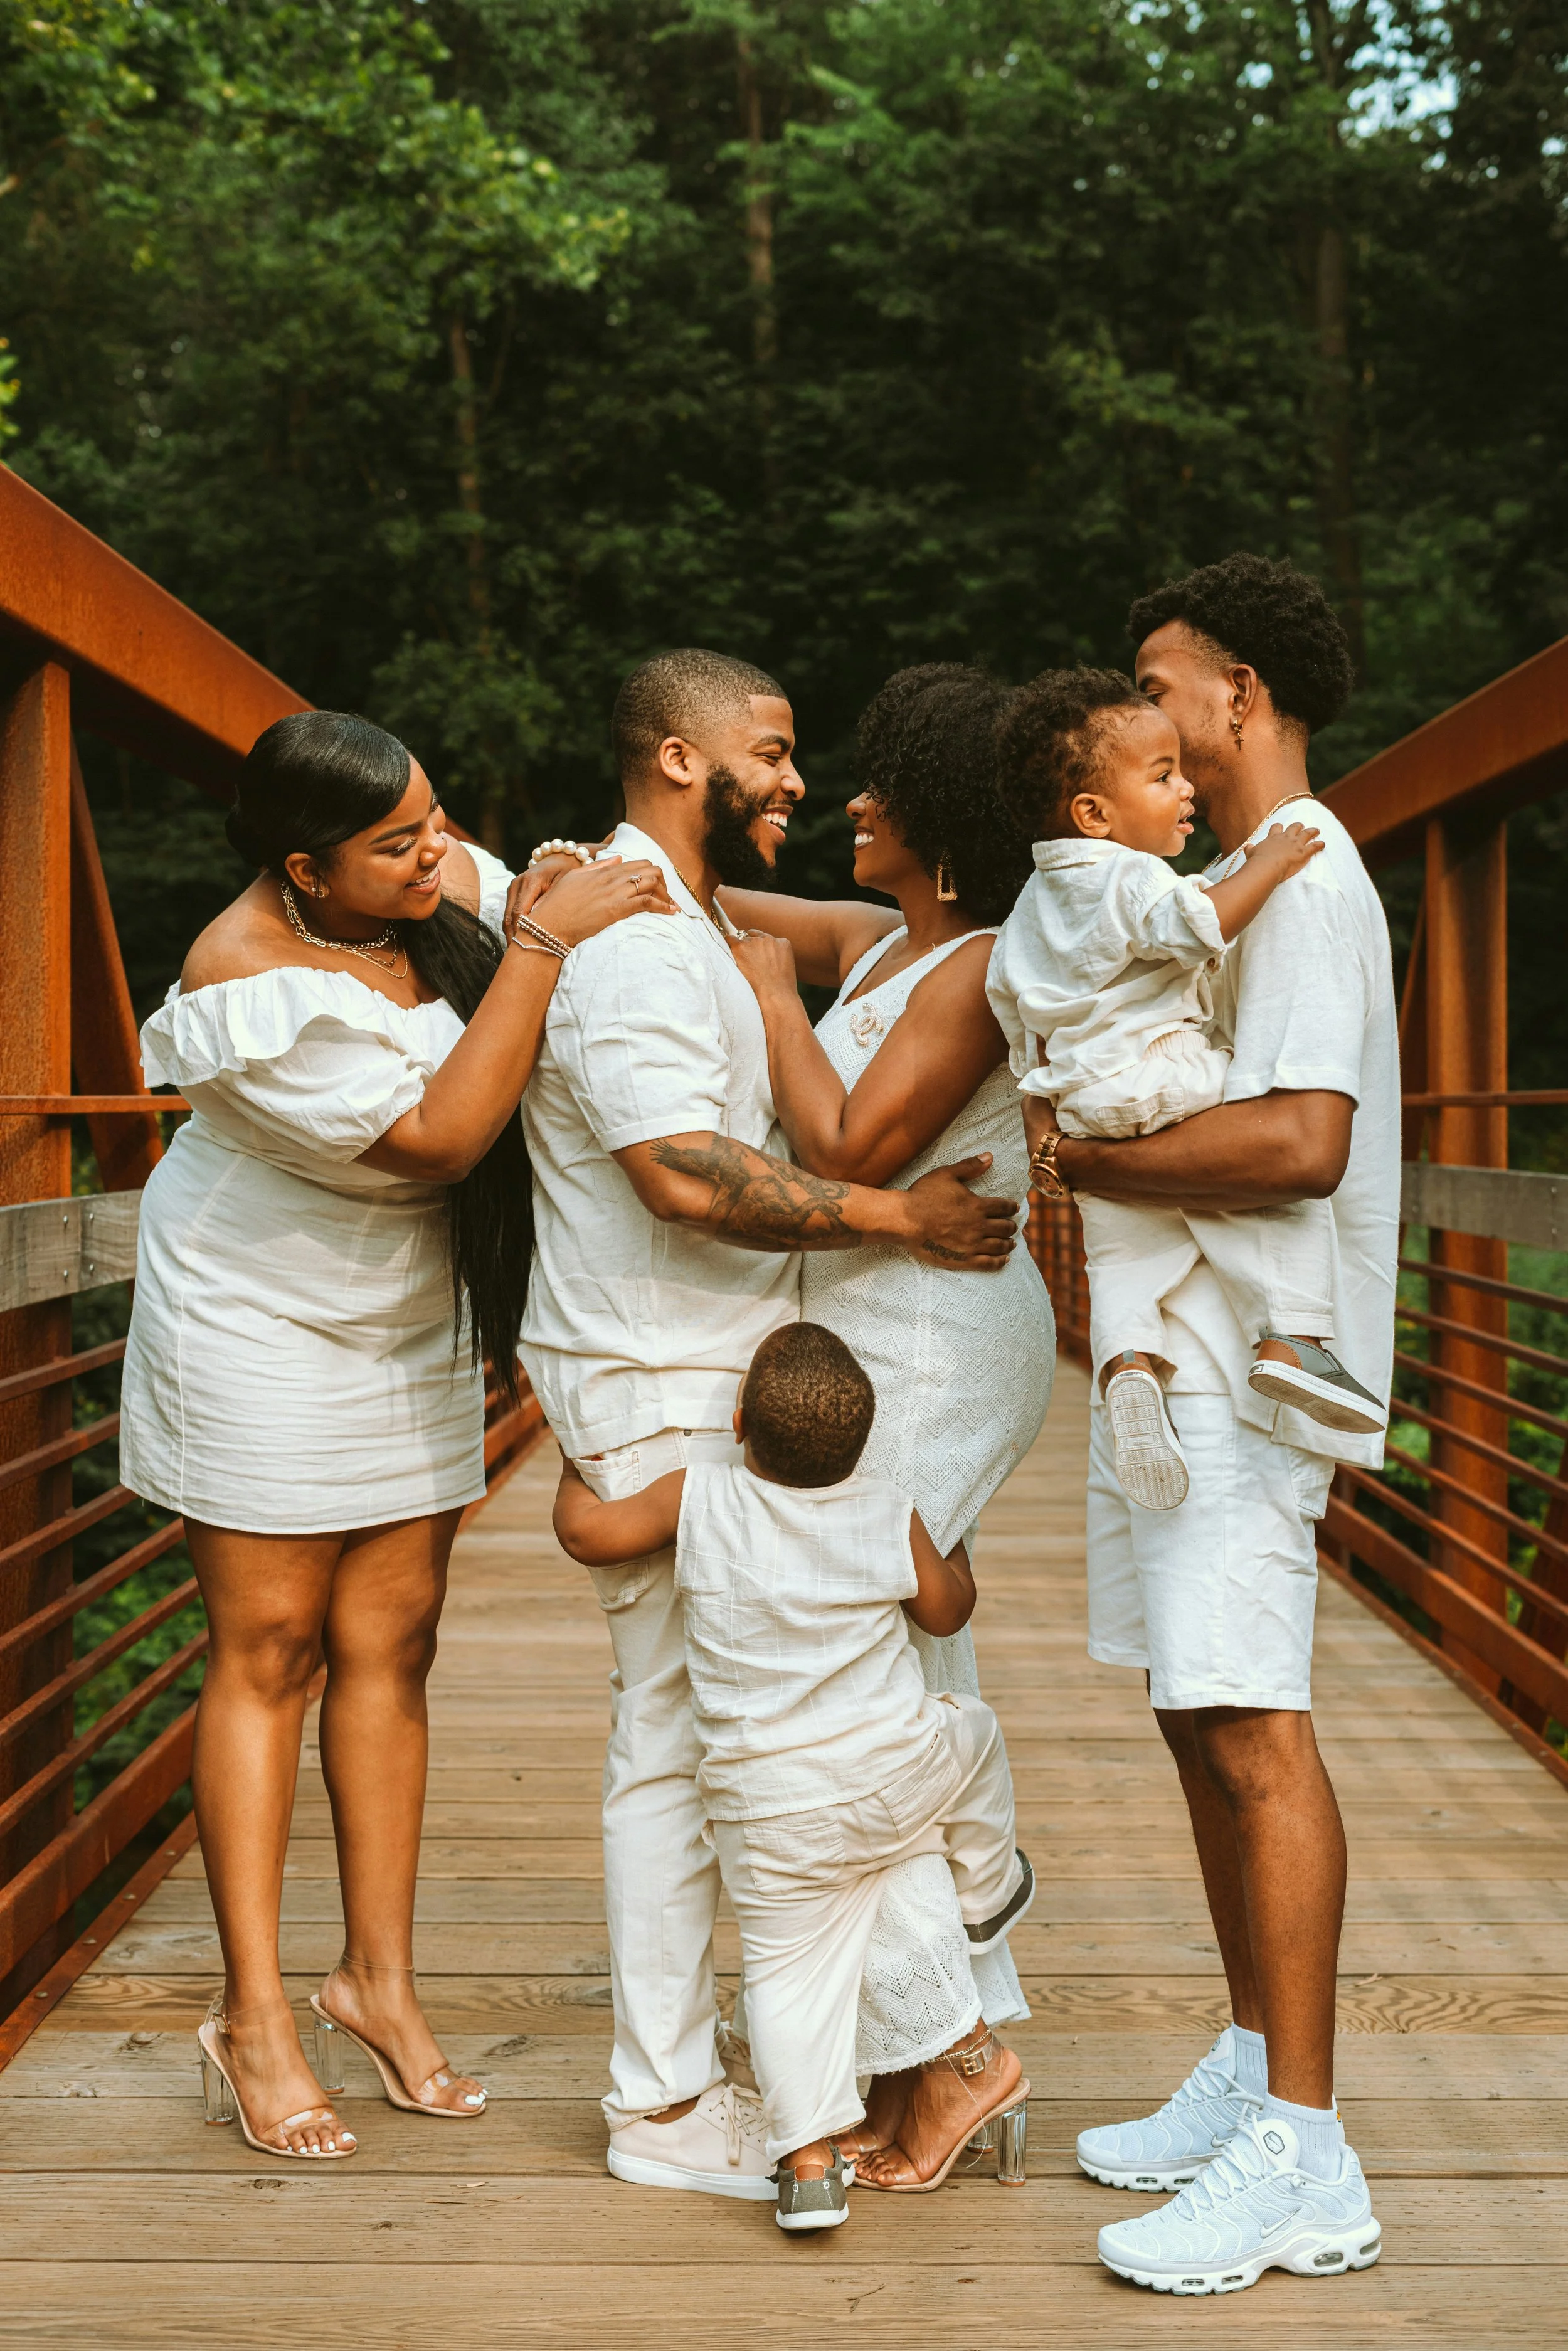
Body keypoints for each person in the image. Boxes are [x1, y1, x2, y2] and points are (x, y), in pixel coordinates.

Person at [120, 710, 673, 2160]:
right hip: (256, 1318)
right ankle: (253, 2016)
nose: (438, 851)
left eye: (435, 820)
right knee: (273, 1648)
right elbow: (435, 1135)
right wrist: (544, 945)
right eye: (399, 842)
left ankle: (378, 1979)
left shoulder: (416, 877)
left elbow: (563, 890)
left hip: (403, 1311)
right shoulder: (239, 976)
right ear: (305, 866)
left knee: (396, 1637)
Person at [517, 649, 1022, 2200]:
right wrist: (884, 1214)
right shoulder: (638, 943)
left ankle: (905, 2042)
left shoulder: (670, 918)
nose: (801, 782)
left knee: (749, 1730)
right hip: (659, 1374)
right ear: (679, 759)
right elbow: (675, 1169)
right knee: (689, 1750)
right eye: (776, 750)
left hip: (715, 1372)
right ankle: (674, 2100)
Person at [1010, 556, 1394, 2295]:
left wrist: (1081, 1163)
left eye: (1156, 682)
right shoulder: (1191, 888)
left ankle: (1305, 2154)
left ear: (1236, 693)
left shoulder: (1305, 887)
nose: (1139, 706)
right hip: (1175, 1363)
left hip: (1246, 1370)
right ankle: (1251, 2063)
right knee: (1192, 1715)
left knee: (1253, 1726)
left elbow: (1300, 1142)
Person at [721, 662, 1054, 2185]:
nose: (847, 804)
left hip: (935, 1337)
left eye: (877, 790)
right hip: (864, 1320)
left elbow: (845, 1138)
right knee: (900, 1660)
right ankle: (940, 2039)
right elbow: (704, 902)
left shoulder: (976, 969)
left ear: (943, 825)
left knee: (865, 1680)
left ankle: (955, 2057)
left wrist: (771, 1003)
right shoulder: (875, 939)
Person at [551, 1322, 1032, 2234]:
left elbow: (589, 1535)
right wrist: (952, 1537)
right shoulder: (887, 1507)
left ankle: (807, 2160)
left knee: (783, 1978)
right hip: (895, 1778)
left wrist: (581, 1461)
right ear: (864, 1438)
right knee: (973, 1732)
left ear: (737, 1422)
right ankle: (988, 1884)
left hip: (771, 1812)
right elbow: (945, 1614)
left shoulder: (699, 1498)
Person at [985, 666, 1384, 1513]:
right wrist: (1270, 865)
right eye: (1162, 778)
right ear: (1094, 815)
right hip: (1166, 1067)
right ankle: (1292, 1333)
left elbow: (1013, 1011)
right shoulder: (1130, 877)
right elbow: (1197, 924)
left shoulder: (1029, 907)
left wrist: (1042, 1108)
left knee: (1125, 1245)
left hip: (1082, 1095)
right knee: (1259, 1175)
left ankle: (1128, 1362)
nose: (1183, 791)